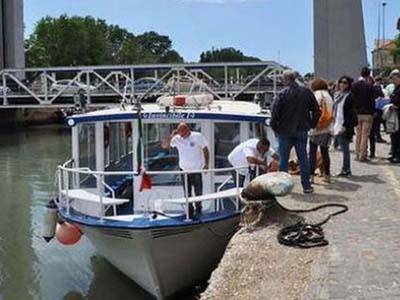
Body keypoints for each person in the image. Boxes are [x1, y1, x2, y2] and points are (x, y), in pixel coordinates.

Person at [271, 70, 321, 194]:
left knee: (283, 160)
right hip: (302, 129)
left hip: (284, 131)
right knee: (303, 158)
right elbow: (316, 110)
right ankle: (306, 186)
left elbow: (274, 112)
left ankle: (283, 187)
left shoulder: (282, 94)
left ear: (285, 79)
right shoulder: (307, 92)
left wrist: (275, 127)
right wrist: (311, 124)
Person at [162, 123, 209, 217]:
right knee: (187, 192)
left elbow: (205, 149)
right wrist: (172, 135)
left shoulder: (197, 136)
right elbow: (165, 145)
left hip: (196, 169)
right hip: (184, 169)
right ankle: (189, 211)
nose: (182, 135)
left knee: (198, 191)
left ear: (187, 130)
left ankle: (199, 209)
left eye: (183, 132)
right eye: (180, 133)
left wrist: (206, 164)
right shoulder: (176, 138)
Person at [308, 79, 334, 183]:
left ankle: (311, 176)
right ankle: (327, 175)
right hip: (326, 128)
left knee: (312, 153)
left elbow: (311, 111)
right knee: (325, 153)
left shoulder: (315, 95)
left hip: (316, 128)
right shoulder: (329, 96)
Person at [333, 76, 358, 176]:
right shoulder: (338, 95)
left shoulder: (350, 96)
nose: (342, 84)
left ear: (348, 85)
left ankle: (346, 169)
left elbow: (350, 114)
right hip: (337, 124)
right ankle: (346, 169)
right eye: (341, 82)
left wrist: (345, 126)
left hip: (344, 125)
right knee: (343, 148)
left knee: (345, 149)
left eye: (345, 83)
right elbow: (336, 110)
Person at [351, 67, 377, 162]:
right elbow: (372, 101)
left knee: (358, 134)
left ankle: (357, 154)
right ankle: (363, 155)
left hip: (357, 113)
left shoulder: (354, 85)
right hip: (368, 113)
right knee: (365, 135)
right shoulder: (370, 86)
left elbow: (352, 100)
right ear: (368, 74)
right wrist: (373, 112)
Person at [388, 69, 400, 163]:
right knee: (394, 135)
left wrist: (395, 106)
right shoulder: (396, 88)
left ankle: (398, 156)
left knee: (398, 136)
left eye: (394, 79)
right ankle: (394, 154)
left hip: (398, 114)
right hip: (394, 115)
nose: (393, 81)